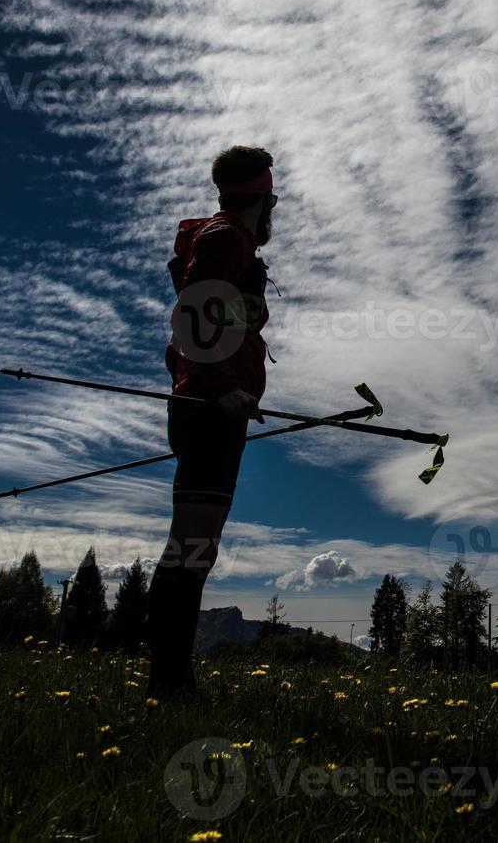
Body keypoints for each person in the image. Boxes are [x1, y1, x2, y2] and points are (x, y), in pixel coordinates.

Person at [147, 144, 277, 699]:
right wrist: (223, 388)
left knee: (196, 545)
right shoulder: (226, 238)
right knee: (191, 546)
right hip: (209, 409)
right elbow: (195, 308)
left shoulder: (228, 239)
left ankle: (171, 681)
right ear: (265, 197)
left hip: (210, 405)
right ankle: (169, 685)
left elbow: (197, 317)